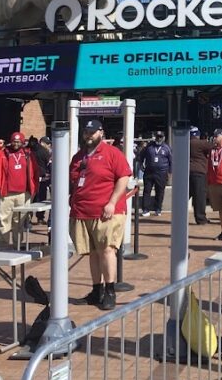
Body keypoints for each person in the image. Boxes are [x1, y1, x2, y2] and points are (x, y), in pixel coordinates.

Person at [69, 119, 131, 310]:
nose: (88, 135)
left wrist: (112, 202)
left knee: (107, 250)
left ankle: (110, 290)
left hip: (106, 212)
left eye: (92, 132)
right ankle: (97, 290)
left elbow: (124, 177)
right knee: (93, 252)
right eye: (86, 132)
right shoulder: (78, 157)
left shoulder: (112, 153)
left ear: (101, 133)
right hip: (82, 211)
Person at [0, 132, 37, 250]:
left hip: (23, 194)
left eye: (18, 142)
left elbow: (35, 171)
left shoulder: (28, 154)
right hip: (6, 194)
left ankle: (17, 245)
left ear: (23, 142)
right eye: (14, 141)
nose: (16, 144)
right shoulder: (2, 153)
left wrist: (33, 189)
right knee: (3, 221)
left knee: (19, 222)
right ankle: (3, 246)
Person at [139, 131, 172, 217]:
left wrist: (170, 172)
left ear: (164, 138)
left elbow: (171, 160)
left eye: (160, 137)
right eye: (157, 137)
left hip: (161, 172)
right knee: (147, 191)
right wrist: (140, 164)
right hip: (149, 171)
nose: (159, 139)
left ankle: (158, 209)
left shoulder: (166, 148)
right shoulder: (149, 146)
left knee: (160, 191)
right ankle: (145, 209)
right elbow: (141, 156)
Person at [188, 127, 212, 225]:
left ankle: (179, 216)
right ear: (198, 135)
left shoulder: (185, 143)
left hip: (187, 172)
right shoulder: (201, 143)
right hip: (200, 172)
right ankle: (201, 218)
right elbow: (213, 146)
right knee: (199, 196)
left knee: (185, 195)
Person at [32, 136, 52, 224]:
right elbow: (49, 164)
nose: (49, 145)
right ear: (42, 143)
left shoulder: (31, 151)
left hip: (33, 178)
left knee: (33, 198)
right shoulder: (45, 152)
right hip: (42, 178)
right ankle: (40, 218)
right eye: (47, 144)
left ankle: (28, 218)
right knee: (41, 198)